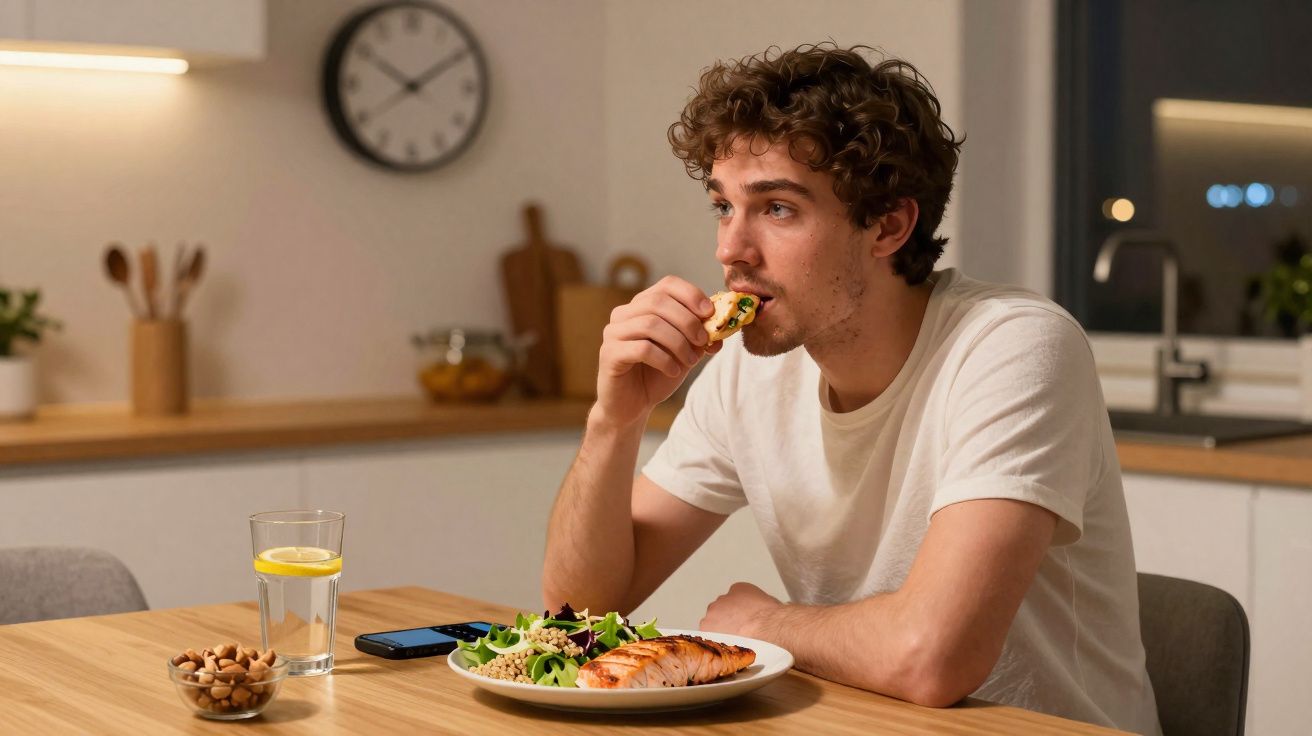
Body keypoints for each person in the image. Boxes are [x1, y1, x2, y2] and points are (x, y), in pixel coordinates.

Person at [541, 43, 1160, 734]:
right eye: (724, 206)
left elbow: (931, 659)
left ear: (889, 225)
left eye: (776, 208)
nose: (730, 249)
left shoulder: (1012, 348)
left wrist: (763, 624)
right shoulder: (749, 370)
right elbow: (577, 616)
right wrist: (614, 420)